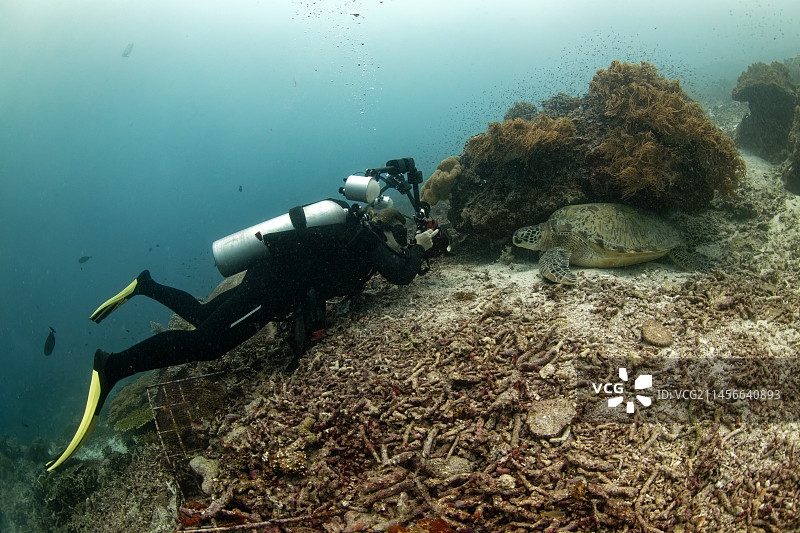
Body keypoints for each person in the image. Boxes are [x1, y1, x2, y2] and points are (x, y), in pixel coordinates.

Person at [46, 206, 438, 471]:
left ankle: (146, 285)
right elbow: (401, 273)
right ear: (387, 229)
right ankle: (112, 366)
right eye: (398, 236)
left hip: (269, 275)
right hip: (273, 289)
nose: (398, 243)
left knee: (204, 315)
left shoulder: (355, 233)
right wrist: (420, 249)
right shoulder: (367, 238)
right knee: (208, 344)